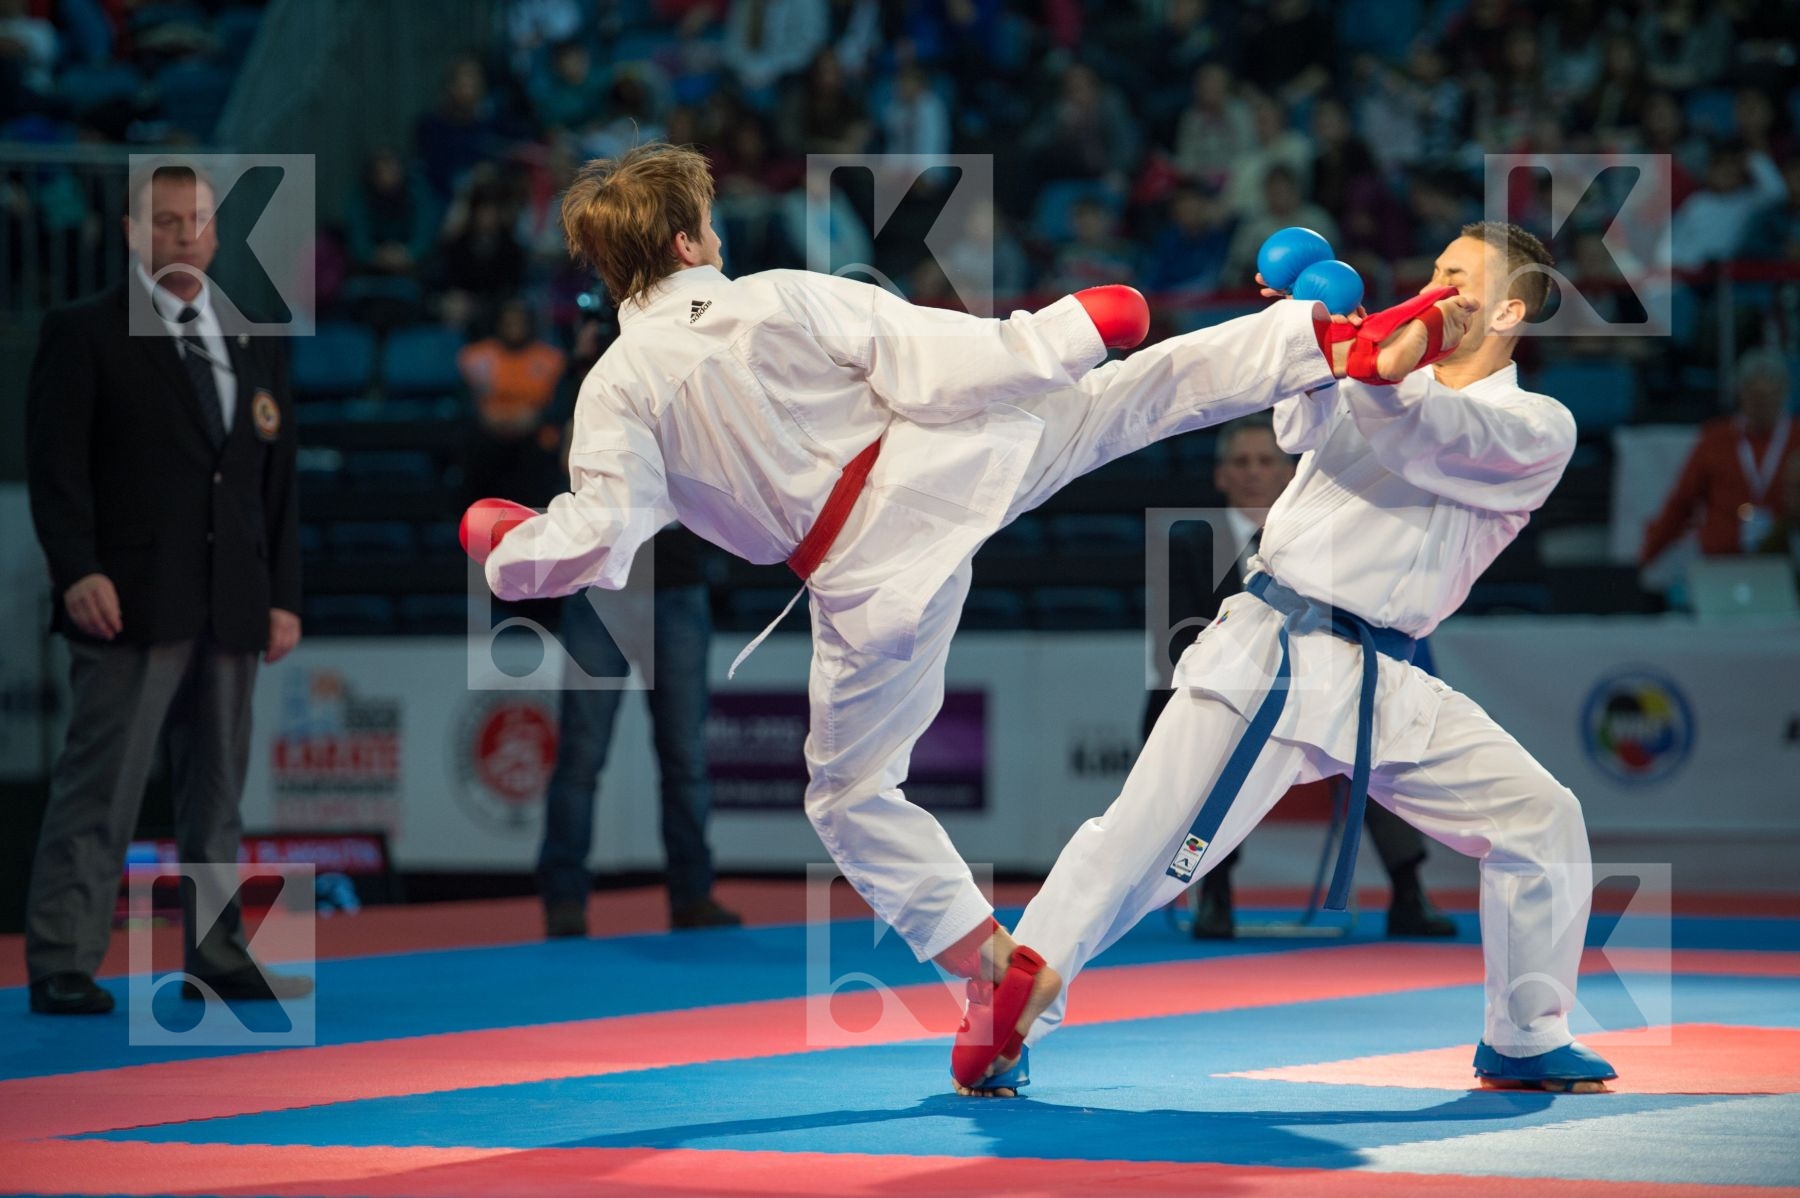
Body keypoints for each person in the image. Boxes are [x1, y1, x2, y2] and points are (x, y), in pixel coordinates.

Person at [460, 143, 1468, 1084]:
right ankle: (1317, 339)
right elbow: (932, 359)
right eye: (710, 224)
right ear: (686, 242)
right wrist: (1067, 333)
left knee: (849, 796)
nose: (718, 238)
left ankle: (994, 965)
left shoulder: (612, 389)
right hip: (947, 467)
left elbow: (601, 537)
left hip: (865, 584)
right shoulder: (773, 296)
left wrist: (507, 547)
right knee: (1127, 399)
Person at [990, 222, 1614, 1098]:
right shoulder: (1389, 366)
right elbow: (1298, 425)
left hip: (1383, 676)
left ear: (1509, 311)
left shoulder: (1534, 426)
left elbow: (1420, 431)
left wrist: (1377, 354)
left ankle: (1525, 1036)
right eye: (1434, 270)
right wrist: (1315, 334)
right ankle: (1010, 1007)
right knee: (1140, 843)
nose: (1435, 288)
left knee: (1538, 818)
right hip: (1272, 650)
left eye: (1459, 279)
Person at [23, 162, 308, 1014]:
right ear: (132, 233)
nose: (185, 236)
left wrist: (284, 595)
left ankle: (216, 953)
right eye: (167, 222)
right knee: (101, 785)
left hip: (233, 596)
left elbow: (274, 483)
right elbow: (56, 470)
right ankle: (64, 958)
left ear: (217, 233)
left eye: (199, 221)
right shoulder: (85, 331)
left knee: (218, 790)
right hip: (129, 597)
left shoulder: (251, 335)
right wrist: (77, 569)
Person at [1146, 417, 1456, 940]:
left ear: (1290, 473)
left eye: (1265, 461)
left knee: (1375, 723)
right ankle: (1215, 892)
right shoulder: (1189, 541)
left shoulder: (1324, 537)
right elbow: (1174, 644)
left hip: (1318, 691)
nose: (1253, 473)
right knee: (1214, 742)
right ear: (1220, 475)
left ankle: (1408, 890)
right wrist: (1248, 682)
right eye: (1241, 462)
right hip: (1225, 692)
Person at [1640, 348, 1796, 567]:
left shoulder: (1796, 438)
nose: (1762, 406)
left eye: (1770, 397)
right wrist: (1643, 559)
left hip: (1785, 562)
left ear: (1784, 392)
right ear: (1740, 392)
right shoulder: (1715, 440)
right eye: (1756, 397)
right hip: (1722, 560)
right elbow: (1681, 504)